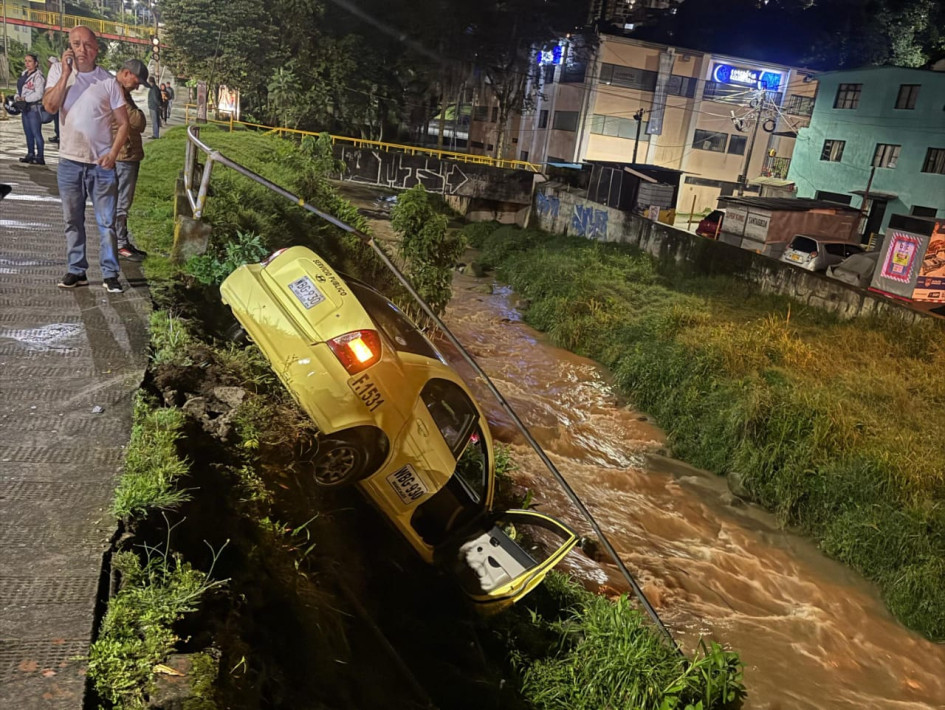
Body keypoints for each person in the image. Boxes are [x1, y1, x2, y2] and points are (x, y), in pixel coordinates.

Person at [43, 26, 130, 293]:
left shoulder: (108, 81)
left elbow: (124, 124)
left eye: (88, 45)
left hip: (100, 165)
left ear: (97, 49)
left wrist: (113, 154)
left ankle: (110, 272)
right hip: (69, 161)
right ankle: (76, 270)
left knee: (106, 222)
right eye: (76, 44)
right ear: (69, 46)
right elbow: (49, 106)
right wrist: (66, 75)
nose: (82, 50)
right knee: (72, 220)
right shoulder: (59, 72)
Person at [113, 59, 149, 262]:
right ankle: (118, 244)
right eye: (137, 81)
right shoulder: (115, 92)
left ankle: (121, 242)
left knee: (122, 203)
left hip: (127, 154)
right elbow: (138, 121)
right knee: (121, 203)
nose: (138, 86)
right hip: (122, 156)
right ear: (126, 73)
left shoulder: (123, 93)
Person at [16, 53, 45, 165]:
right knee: (28, 132)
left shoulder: (38, 77)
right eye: (26, 61)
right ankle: (30, 154)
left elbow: (39, 94)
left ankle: (40, 156)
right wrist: (17, 97)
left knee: (36, 133)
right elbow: (18, 90)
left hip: (34, 108)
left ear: (36, 63)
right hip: (25, 108)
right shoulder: (23, 75)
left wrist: (26, 98)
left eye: (30, 61)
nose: (27, 63)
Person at [47, 56, 61, 143]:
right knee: (56, 119)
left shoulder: (56, 69)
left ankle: (59, 135)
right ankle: (58, 134)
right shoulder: (53, 70)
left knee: (58, 119)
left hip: (58, 99)